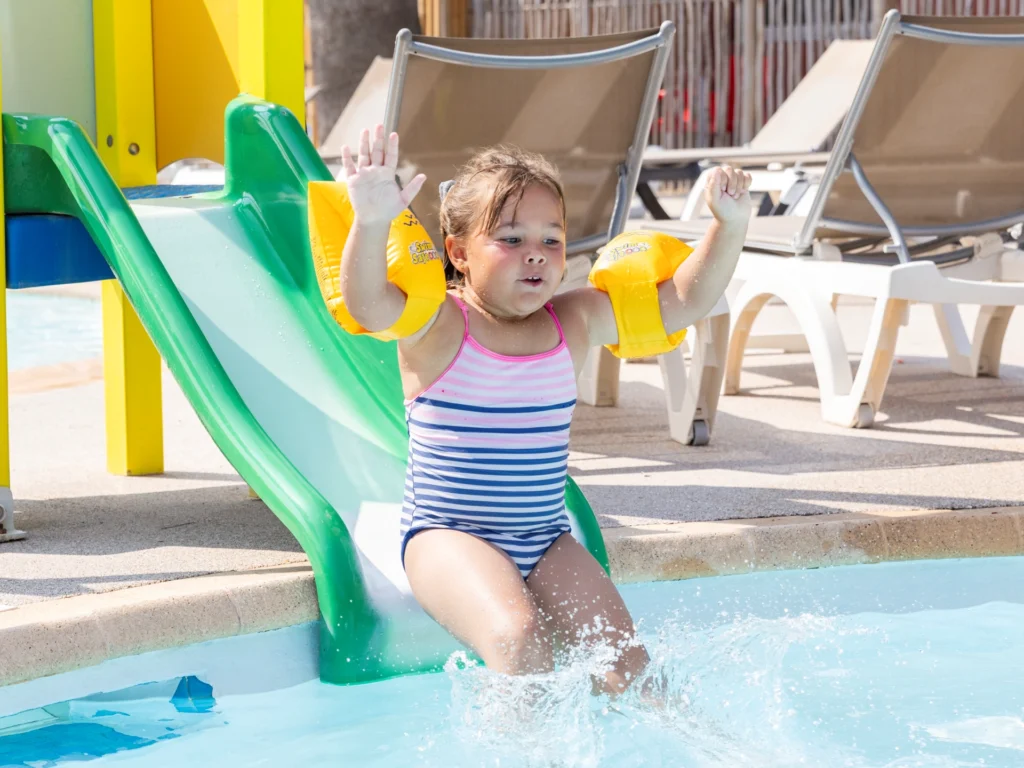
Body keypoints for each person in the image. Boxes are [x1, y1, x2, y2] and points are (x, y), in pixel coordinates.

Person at [338, 124, 751, 698]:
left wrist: (729, 227)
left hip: (544, 536)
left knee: (625, 661)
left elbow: (681, 304)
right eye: (510, 238)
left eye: (551, 239)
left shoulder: (572, 321)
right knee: (519, 639)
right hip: (447, 535)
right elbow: (367, 305)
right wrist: (370, 219)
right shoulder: (440, 324)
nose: (535, 253)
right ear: (458, 252)